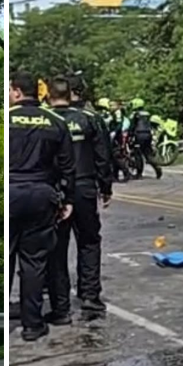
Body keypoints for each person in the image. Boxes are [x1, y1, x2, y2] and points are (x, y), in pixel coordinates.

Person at [10, 72, 76, 342]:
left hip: (10, 193)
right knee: (34, 262)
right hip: (42, 195)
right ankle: (32, 325)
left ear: (15, 91)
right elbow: (67, 167)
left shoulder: (7, 118)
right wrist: (67, 199)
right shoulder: (56, 122)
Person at [46, 76, 113, 323]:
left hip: (57, 191)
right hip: (85, 187)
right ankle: (90, 298)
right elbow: (103, 156)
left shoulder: (47, 121)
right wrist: (106, 187)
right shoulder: (91, 119)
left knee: (57, 249)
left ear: (50, 94)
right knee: (89, 242)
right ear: (75, 93)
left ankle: (61, 307)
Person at [129, 98, 162, 179]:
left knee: (138, 154)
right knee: (148, 153)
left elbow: (132, 126)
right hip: (148, 134)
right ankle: (156, 167)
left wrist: (130, 135)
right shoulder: (147, 114)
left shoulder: (134, 114)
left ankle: (139, 173)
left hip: (139, 134)